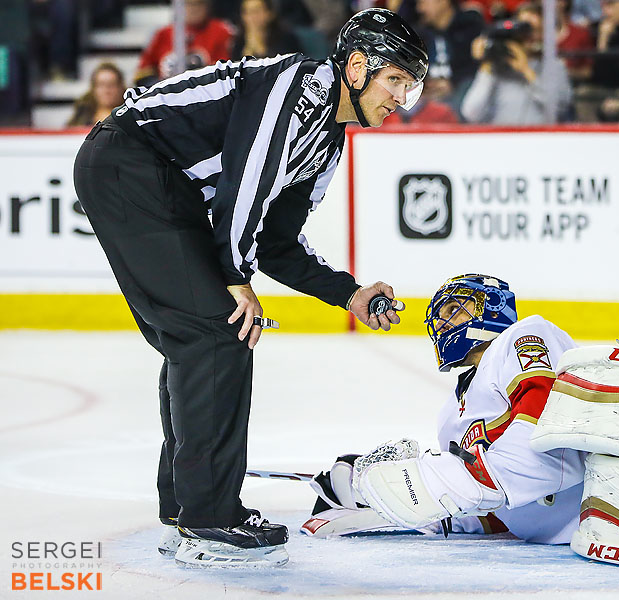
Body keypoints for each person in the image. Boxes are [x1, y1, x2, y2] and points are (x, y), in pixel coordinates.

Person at [73, 8, 428, 568]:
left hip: (164, 184)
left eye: (411, 87)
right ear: (357, 67)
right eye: (396, 81)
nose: (401, 99)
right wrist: (235, 277)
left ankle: (187, 505)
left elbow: (279, 241)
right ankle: (208, 517)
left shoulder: (328, 139)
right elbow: (246, 186)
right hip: (129, 162)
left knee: (203, 334)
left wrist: (348, 293)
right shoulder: (294, 86)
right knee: (217, 331)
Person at [302, 274, 619, 578]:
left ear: (491, 308)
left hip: (604, 465)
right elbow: (492, 513)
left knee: (595, 391)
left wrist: (441, 481)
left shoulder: (519, 336)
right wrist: (396, 510)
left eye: (458, 308)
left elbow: (541, 413)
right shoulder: (449, 420)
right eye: (441, 315)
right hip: (583, 530)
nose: (447, 321)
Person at [460, 4, 573, 124]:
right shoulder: (497, 66)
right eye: (523, 29)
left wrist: (527, 71)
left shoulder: (554, 66)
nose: (528, 37)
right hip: (502, 138)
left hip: (539, 138)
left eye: (535, 30)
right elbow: (470, 113)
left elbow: (559, 108)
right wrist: (487, 66)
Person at [134, 0, 234, 86]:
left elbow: (228, 71)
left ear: (207, 6)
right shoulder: (162, 34)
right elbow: (143, 74)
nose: (193, 9)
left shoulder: (222, 32)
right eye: (188, 4)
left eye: (198, 4)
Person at [417, 0, 486, 114]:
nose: (420, 9)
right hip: (428, 94)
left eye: (423, 2)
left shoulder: (470, 26)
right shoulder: (420, 33)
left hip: (462, 90)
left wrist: (453, 82)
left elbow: (479, 64)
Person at [229, 0, 302, 60]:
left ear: (270, 14)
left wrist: (260, 49)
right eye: (247, 12)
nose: (252, 17)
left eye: (256, 11)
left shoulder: (286, 38)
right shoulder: (239, 42)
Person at [67, 63, 127, 127]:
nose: (106, 90)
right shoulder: (81, 118)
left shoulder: (131, 118)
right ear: (93, 88)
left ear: (121, 88)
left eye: (112, 84)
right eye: (101, 85)